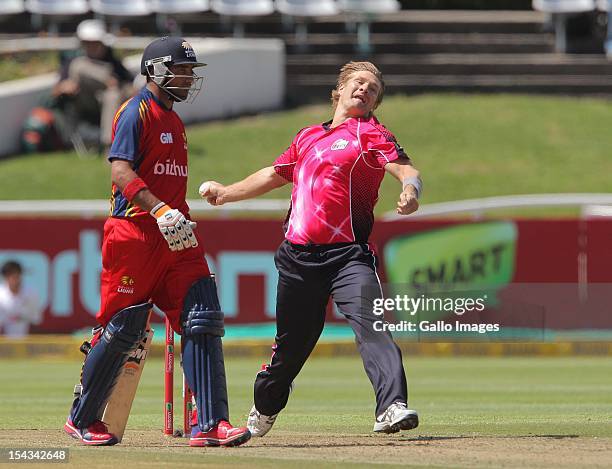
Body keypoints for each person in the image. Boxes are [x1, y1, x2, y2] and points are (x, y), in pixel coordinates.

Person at [199, 61, 422, 437]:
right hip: (299, 257)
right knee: (290, 348)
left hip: (349, 256)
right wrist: (225, 193)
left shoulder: (371, 133)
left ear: (375, 103)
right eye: (358, 82)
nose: (364, 90)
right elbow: (274, 174)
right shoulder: (307, 137)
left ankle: (391, 406)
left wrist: (411, 192)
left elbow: (406, 170)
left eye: (372, 89)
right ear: (339, 89)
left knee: (373, 326)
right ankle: (265, 407)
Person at [63, 36, 251, 448]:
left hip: (177, 235)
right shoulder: (136, 112)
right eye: (181, 70)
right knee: (124, 326)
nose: (187, 78)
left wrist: (175, 217)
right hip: (134, 232)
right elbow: (121, 172)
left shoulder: (174, 120)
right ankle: (83, 418)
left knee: (202, 316)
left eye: (190, 71)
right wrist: (160, 210)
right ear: (157, 70)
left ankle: (211, 424)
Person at [52, 19, 134, 152]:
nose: (92, 46)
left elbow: (130, 85)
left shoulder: (113, 62)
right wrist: (64, 87)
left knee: (112, 95)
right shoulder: (73, 62)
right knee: (79, 66)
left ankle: (110, 146)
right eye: (88, 43)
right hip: (84, 102)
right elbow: (55, 91)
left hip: (109, 103)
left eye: (95, 43)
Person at [0, 261, 41, 338]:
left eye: (17, 274)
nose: (15, 278)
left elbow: (36, 320)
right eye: (11, 275)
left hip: (25, 344)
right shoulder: (1, 294)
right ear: (5, 277)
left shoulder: (31, 293)